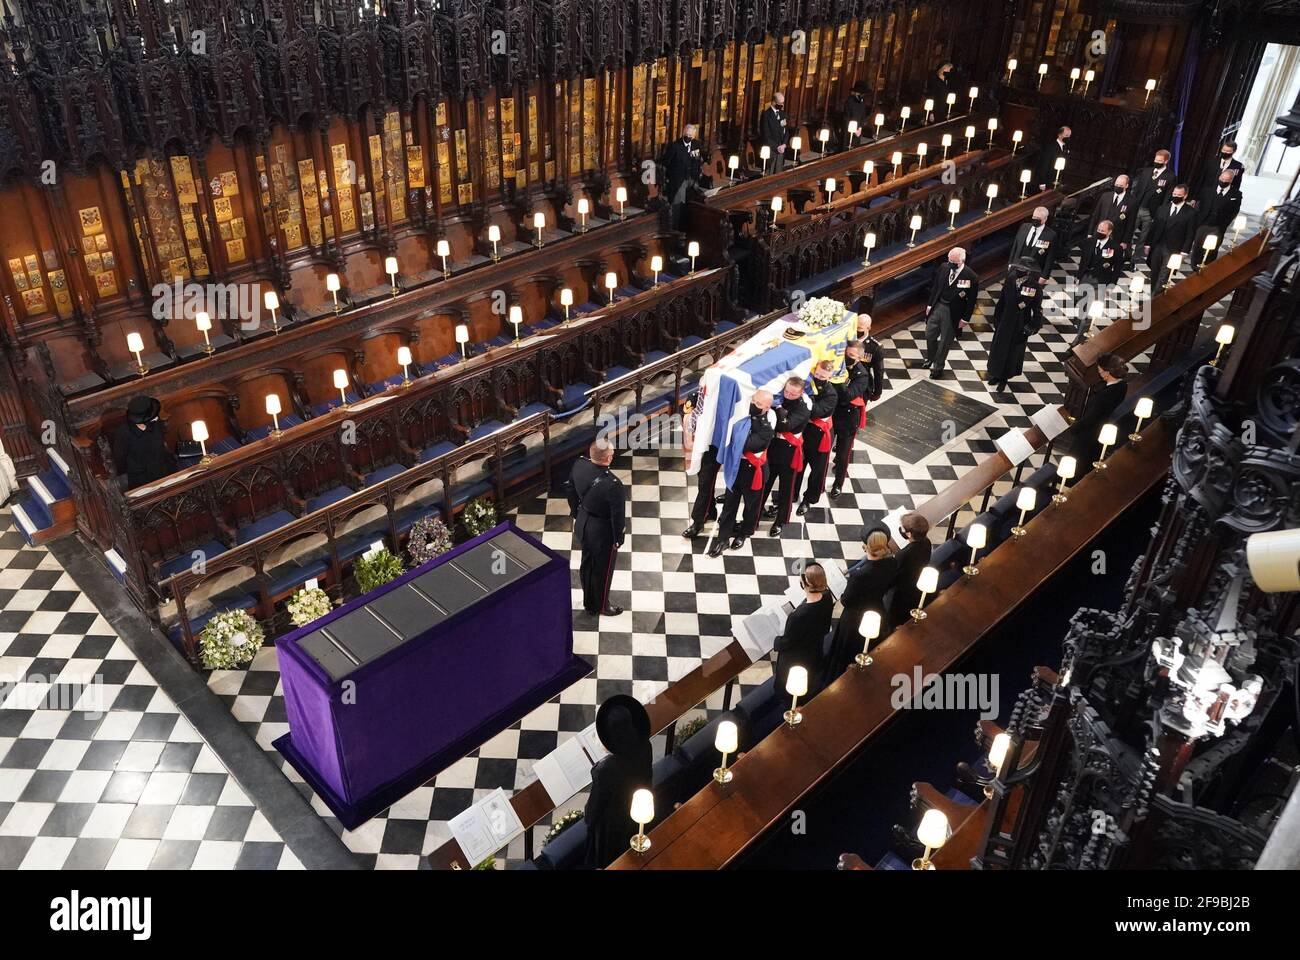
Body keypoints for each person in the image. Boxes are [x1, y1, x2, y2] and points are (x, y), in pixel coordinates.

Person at [583, 694, 652, 868]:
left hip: (614, 829)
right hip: (639, 809)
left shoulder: (605, 770)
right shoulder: (645, 746)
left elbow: (592, 813)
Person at [826, 530, 897, 684]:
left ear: (866, 547)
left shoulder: (860, 575)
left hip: (854, 618)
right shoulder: (891, 563)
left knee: (845, 653)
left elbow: (846, 600)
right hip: (876, 609)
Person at [709, 390, 775, 557]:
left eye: (760, 404)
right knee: (729, 505)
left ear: (767, 407)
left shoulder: (767, 426)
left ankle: (744, 533)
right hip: (736, 468)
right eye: (754, 401)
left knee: (751, 506)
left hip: (754, 472)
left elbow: (746, 444)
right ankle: (722, 539)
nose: (755, 405)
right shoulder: (741, 417)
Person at [567, 438, 626, 617]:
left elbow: (570, 490)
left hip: (583, 523)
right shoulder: (613, 485)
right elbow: (618, 518)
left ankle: (589, 601)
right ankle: (601, 606)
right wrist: (618, 539)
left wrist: (577, 513)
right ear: (608, 458)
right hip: (602, 532)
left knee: (587, 563)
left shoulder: (579, 465)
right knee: (603, 570)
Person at [772, 562, 835, 697]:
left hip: (796, 657)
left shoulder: (798, 616)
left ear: (805, 584)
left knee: (786, 688)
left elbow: (788, 642)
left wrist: (776, 642)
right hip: (815, 650)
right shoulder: (827, 596)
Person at [914, 247, 978, 379]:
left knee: (945, 342)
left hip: (953, 312)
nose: (951, 264)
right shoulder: (944, 267)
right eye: (950, 260)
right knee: (929, 334)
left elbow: (972, 300)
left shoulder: (971, 276)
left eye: (954, 262)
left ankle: (937, 368)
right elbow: (936, 287)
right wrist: (930, 305)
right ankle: (931, 358)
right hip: (938, 305)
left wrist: (966, 318)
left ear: (962, 261)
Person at [761, 376, 812, 537]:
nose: (788, 395)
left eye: (792, 394)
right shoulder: (779, 398)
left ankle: (781, 521)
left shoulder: (804, 407)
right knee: (765, 482)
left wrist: (780, 410)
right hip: (773, 447)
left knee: (786, 488)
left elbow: (785, 426)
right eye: (787, 392)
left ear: (801, 392)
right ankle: (755, 515)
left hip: (789, 451)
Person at [987, 262, 1045, 393]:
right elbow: (1002, 300)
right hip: (1005, 320)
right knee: (999, 348)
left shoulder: (1034, 286)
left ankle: (1004, 378)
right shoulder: (1011, 279)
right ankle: (996, 373)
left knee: (1012, 352)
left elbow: (1037, 309)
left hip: (1020, 323)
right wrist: (997, 318)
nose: (1018, 271)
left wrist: (1032, 326)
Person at [829, 340, 876, 499]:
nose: (847, 358)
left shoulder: (862, 375)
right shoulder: (836, 364)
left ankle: (838, 484)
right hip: (831, 414)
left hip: (848, 418)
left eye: (852, 356)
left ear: (859, 357)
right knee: (822, 452)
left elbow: (848, 395)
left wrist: (839, 379)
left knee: (842, 455)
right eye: (846, 354)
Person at [1069, 353, 1128, 473]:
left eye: (1100, 371)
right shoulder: (1122, 385)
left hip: (1089, 435)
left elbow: (1092, 417)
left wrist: (1074, 428)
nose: (1099, 373)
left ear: (1107, 372)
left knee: (1078, 464)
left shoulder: (1106, 395)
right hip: (1098, 430)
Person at [796, 360, 838, 516]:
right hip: (804, 431)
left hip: (820, 436)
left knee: (817, 470)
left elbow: (816, 411)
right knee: (798, 465)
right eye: (818, 374)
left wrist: (808, 396)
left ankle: (809, 499)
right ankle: (792, 494)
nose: (819, 378)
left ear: (830, 376)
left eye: (823, 376)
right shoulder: (807, 383)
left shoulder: (831, 394)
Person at [112, 395, 176, 490]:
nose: (156, 418)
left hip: (164, 469)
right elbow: (120, 458)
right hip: (142, 478)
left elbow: (162, 444)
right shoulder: (123, 433)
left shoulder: (156, 423)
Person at [1072, 220, 1120, 347]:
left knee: (1089, 313)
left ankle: (1077, 343)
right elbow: (1083, 261)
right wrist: (1078, 277)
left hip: (1101, 282)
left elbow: (1117, 269)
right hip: (1085, 278)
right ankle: (1080, 335)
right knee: (1081, 309)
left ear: (1109, 232)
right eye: (1098, 230)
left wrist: (1111, 285)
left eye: (1102, 231)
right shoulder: (1089, 242)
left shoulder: (1115, 248)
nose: (1099, 232)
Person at [885, 512, 933, 629]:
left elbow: (894, 577)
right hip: (916, 582)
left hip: (901, 593)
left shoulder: (904, 555)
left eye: (902, 528)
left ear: (909, 534)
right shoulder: (926, 542)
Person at [1144, 183, 1197, 288]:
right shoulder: (1162, 208)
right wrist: (1148, 244)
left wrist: (1185, 251)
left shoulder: (1191, 213)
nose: (1175, 197)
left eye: (1178, 195)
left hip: (1174, 249)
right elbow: (1153, 228)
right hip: (1158, 246)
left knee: (1164, 275)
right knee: (1154, 273)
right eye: (1174, 194)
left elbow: (1190, 233)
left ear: (1185, 196)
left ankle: (1155, 299)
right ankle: (1153, 295)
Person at [1129, 148, 1176, 259]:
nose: (1157, 162)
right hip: (1138, 206)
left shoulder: (1170, 177)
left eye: (1160, 161)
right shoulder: (1146, 171)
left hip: (1151, 211)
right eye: (1156, 159)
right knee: (1129, 230)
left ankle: (1137, 255)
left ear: (1166, 161)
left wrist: (1160, 212)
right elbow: (1137, 189)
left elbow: (1167, 197)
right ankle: (1126, 252)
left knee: (1144, 235)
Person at [1193, 168, 1243, 264]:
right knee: (1197, 246)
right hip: (1203, 223)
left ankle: (1207, 266)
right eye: (1222, 179)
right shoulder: (1208, 190)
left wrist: (1224, 224)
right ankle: (1195, 266)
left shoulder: (1236, 194)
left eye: (1226, 180)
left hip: (1218, 226)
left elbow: (1234, 211)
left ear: (1231, 180)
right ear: (1219, 177)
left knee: (1212, 248)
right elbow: (1200, 205)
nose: (1223, 181)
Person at [662, 123, 704, 229]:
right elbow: (666, 162)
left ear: (693, 136)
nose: (688, 137)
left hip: (692, 179)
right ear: (683, 133)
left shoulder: (696, 144)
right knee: (678, 205)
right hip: (679, 180)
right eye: (686, 134)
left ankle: (689, 227)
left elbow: (698, 161)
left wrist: (697, 177)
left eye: (690, 135)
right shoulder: (675, 146)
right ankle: (675, 229)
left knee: (695, 201)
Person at [1006, 206, 1056, 284]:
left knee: (1027, 294)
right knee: (1011, 289)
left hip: (1034, 271)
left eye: (1038, 219)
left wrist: (1044, 276)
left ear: (1045, 219)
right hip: (1017, 266)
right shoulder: (1024, 227)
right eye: (1034, 217)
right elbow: (1015, 246)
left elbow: (1050, 257)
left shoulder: (1050, 235)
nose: (1035, 220)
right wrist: (1010, 263)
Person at [1089, 175, 1136, 255]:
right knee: (1093, 254)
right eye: (1117, 185)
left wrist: (1125, 241)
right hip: (1099, 233)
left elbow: (1130, 224)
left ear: (1126, 186)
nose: (1118, 187)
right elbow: (1096, 215)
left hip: (1115, 237)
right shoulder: (1105, 196)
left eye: (1121, 186)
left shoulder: (1132, 201)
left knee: (1107, 258)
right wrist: (1090, 233)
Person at [1034, 126, 1071, 192]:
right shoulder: (1051, 147)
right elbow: (1044, 165)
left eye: (1069, 135)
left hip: (1056, 180)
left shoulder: (1065, 147)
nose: (1068, 138)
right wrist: (1042, 183)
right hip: (1048, 179)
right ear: (1060, 135)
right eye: (1066, 135)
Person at [760, 93, 788, 172]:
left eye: (783, 103)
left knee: (779, 172)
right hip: (771, 150)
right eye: (780, 103)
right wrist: (776, 147)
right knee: (769, 173)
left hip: (781, 149)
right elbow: (766, 134)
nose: (782, 105)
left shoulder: (782, 114)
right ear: (773, 102)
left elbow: (786, 130)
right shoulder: (766, 115)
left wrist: (784, 144)